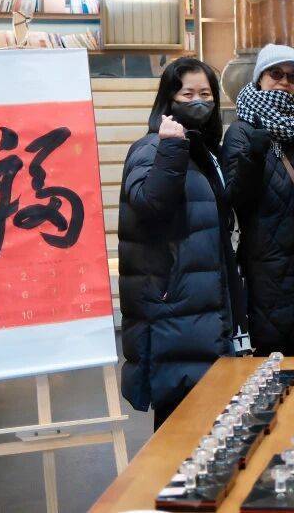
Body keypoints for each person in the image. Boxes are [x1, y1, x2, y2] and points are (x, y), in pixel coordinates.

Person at [118, 57, 244, 429]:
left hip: (203, 306)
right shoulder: (152, 148)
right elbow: (150, 205)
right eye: (187, 94)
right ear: (168, 99)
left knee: (208, 424)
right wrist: (171, 148)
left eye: (205, 94)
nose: (198, 102)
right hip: (174, 311)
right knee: (179, 426)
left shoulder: (203, 152)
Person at [221, 44, 294, 357]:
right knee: (269, 357)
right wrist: (254, 157)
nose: (284, 82)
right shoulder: (242, 129)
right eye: (276, 73)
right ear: (259, 78)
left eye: (293, 77)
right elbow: (235, 196)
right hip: (264, 260)